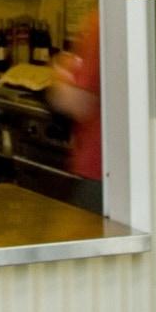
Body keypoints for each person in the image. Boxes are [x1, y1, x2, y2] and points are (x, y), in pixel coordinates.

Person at [47, 14, 101, 185]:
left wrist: (58, 77)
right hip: (128, 165)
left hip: (97, 164)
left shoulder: (99, 24)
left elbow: (81, 103)